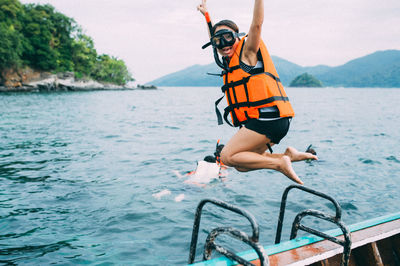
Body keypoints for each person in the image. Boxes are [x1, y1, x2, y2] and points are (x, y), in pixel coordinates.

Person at [197, 0, 317, 185]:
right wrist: (206, 16)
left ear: (237, 36)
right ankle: (288, 155)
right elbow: (217, 38)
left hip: (267, 120)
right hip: (274, 122)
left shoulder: (247, 53)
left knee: (227, 157)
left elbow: (257, 23)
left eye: (227, 38)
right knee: (242, 164)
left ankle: (280, 163)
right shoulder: (228, 57)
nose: (223, 44)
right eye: (217, 41)